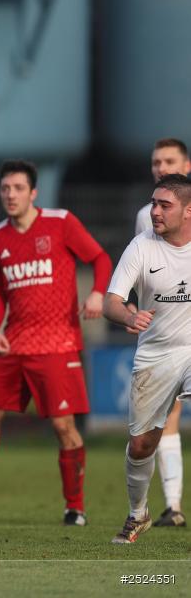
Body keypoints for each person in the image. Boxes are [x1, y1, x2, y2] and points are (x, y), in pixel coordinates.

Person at [0, 159, 112, 526]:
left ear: (33, 192)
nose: (10, 195)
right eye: (5, 189)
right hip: (15, 344)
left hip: (58, 343)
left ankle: (75, 506)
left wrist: (98, 294)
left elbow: (100, 258)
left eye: (18, 188)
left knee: (63, 428)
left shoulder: (60, 222)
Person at [104, 173, 191, 544]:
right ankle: (138, 514)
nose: (154, 211)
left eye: (164, 205)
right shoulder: (141, 246)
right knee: (141, 445)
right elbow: (111, 302)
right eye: (153, 203)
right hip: (156, 355)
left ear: (188, 211)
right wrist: (128, 315)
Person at [125, 138, 190, 528]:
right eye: (155, 161)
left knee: (169, 420)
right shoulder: (146, 218)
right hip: (162, 335)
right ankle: (172, 505)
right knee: (163, 422)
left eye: (168, 161)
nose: (160, 167)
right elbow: (142, 273)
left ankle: (173, 504)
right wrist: (129, 308)